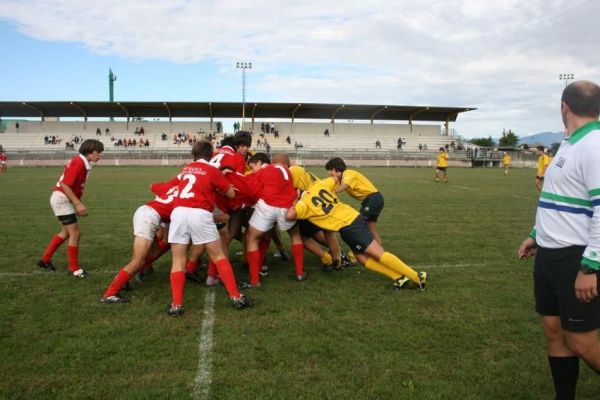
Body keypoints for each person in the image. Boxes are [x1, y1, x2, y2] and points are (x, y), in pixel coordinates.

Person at [517, 80, 600, 399]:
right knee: (555, 334)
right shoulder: (568, 143)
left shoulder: (593, 145)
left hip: (576, 258)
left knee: (581, 341)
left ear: (564, 106)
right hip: (549, 255)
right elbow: (557, 198)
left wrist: (590, 267)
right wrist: (536, 235)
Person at [286, 175, 427, 290]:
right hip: (351, 219)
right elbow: (334, 178)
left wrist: (293, 203)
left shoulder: (302, 204)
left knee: (377, 253)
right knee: (361, 258)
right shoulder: (318, 186)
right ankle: (398, 277)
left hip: (349, 225)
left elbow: (289, 216)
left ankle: (416, 276)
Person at [166, 141, 253, 316]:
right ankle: (236, 297)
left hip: (179, 212)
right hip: (200, 212)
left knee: (178, 260)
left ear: (193, 154)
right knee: (218, 254)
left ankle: (176, 305)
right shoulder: (213, 170)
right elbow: (230, 193)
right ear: (211, 154)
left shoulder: (185, 169)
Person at [100, 178, 178, 303]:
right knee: (138, 260)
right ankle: (110, 293)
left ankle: (126, 278)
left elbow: (154, 186)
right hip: (148, 217)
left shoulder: (174, 189)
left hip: (148, 213)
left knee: (154, 251)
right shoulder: (188, 196)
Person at [37, 139, 104, 278]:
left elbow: (73, 186)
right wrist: (78, 204)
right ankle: (74, 269)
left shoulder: (82, 162)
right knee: (75, 233)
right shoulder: (79, 162)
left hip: (63, 199)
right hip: (61, 199)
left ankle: (45, 260)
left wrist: (76, 203)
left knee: (65, 233)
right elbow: (65, 185)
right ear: (90, 152)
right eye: (99, 152)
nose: (100, 156)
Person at [243, 152, 305, 287]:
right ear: (286, 164)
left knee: (252, 238)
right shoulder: (288, 172)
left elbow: (250, 184)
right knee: (295, 235)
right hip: (286, 206)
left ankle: (254, 280)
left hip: (268, 205)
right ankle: (299, 272)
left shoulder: (266, 169)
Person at [325, 157, 384, 245]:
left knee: (360, 225)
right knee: (370, 228)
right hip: (371, 200)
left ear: (334, 169)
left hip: (373, 199)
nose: (328, 173)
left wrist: (333, 192)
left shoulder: (348, 173)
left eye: (330, 170)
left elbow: (345, 185)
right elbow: (330, 187)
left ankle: (357, 252)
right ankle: (380, 250)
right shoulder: (340, 180)